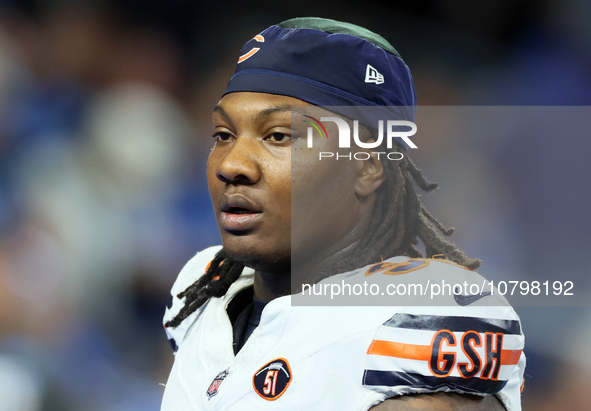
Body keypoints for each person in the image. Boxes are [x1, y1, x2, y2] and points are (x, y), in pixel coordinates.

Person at [160, 17, 525, 411]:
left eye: (278, 136)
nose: (231, 164)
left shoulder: (423, 314)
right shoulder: (203, 284)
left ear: (368, 166)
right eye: (223, 135)